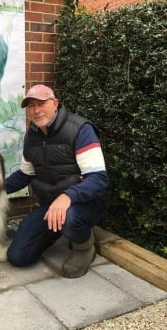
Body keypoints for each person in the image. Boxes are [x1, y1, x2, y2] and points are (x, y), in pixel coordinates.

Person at [6, 84, 110, 278]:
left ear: (54, 103)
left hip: (86, 202)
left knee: (70, 218)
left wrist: (67, 196)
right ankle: (59, 228)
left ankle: (84, 248)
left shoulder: (80, 129)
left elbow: (98, 179)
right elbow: (24, 175)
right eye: (31, 106)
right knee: (18, 256)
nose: (36, 111)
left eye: (41, 103)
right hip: (52, 203)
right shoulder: (32, 136)